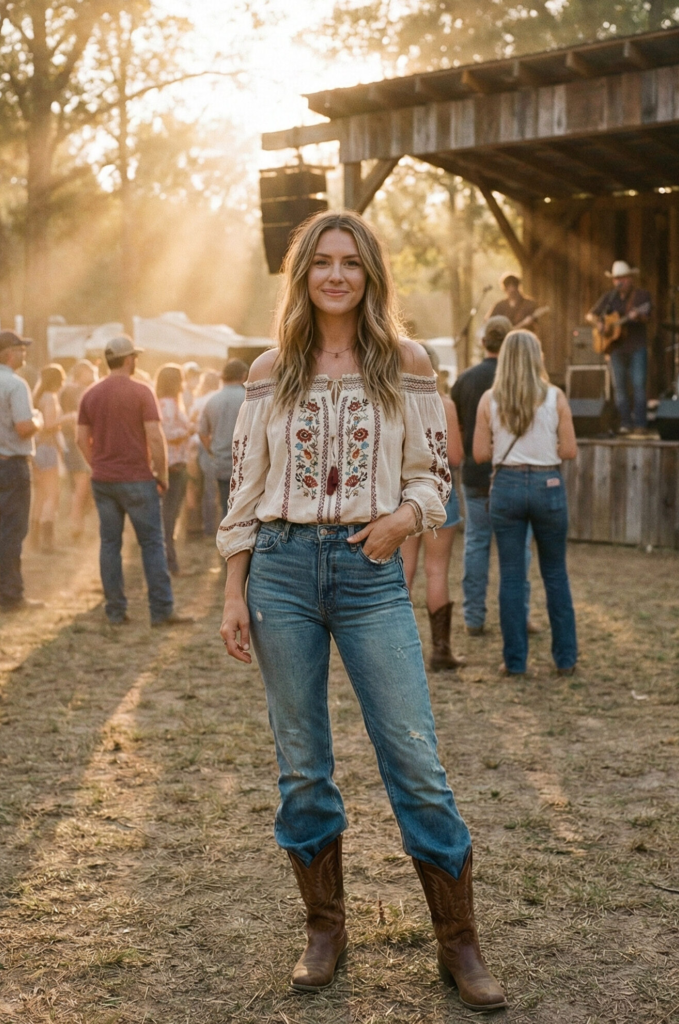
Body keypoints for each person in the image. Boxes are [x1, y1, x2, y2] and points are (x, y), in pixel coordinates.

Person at [217, 211, 506, 1012]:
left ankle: (460, 943)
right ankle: (324, 928)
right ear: (301, 274)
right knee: (302, 760)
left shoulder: (405, 362)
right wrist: (234, 589)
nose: (336, 275)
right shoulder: (269, 368)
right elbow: (244, 482)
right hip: (278, 570)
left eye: (350, 262)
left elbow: (434, 475)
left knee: (413, 757)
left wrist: (399, 523)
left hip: (368, 570)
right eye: (322, 262)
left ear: (371, 274)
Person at [473, 330, 578, 676]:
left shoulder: (490, 399)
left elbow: (480, 454)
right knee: (555, 574)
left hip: (507, 485)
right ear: (538, 358)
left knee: (511, 577)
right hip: (548, 485)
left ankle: (515, 662)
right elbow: (568, 451)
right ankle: (565, 660)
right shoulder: (555, 397)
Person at [77, 335, 192, 627]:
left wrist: (97, 464)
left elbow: (80, 438)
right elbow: (155, 435)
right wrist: (162, 474)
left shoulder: (90, 394)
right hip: (138, 479)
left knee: (109, 545)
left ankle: (115, 611)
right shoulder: (142, 392)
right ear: (129, 359)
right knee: (152, 544)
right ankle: (161, 611)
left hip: (104, 481)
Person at [452, 316, 535, 636]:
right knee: (518, 551)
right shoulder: (520, 381)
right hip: (513, 474)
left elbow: (457, 427)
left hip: (475, 475)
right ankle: (520, 615)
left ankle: (474, 618)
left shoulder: (466, 380)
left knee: (476, 546)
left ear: (483, 342)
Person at [402, 344, 466, 671]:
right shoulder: (445, 404)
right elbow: (454, 458)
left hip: (403, 497)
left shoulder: (395, 400)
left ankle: (397, 650)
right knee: (437, 571)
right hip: (440, 494)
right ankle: (441, 650)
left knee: (402, 571)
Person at [0, 330, 45, 611]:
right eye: (22, 350)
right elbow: (24, 427)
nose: (25, 354)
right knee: (12, 530)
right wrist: (38, 418)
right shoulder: (16, 385)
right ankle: (12, 595)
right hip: (11, 464)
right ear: (10, 354)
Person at [586, 260, 652, 434]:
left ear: (630, 278)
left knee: (638, 385)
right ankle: (625, 423)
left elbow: (647, 316)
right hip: (615, 349)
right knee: (619, 387)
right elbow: (591, 315)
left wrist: (637, 316)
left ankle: (640, 425)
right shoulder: (610, 297)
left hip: (637, 347)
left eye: (622, 278)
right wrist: (600, 325)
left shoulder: (641, 296)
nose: (619, 282)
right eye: (616, 279)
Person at [199, 359, 248, 523]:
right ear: (243, 376)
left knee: (225, 506)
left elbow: (202, 433)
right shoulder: (248, 399)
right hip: (245, 463)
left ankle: (226, 542)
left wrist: (212, 451)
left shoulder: (211, 401)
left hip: (221, 462)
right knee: (244, 507)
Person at [31, 363, 73, 553]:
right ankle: (47, 541)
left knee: (40, 495)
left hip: (38, 448)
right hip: (48, 449)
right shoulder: (50, 398)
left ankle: (35, 538)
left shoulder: (38, 397)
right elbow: (49, 424)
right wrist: (69, 417)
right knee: (52, 495)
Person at [155, 363, 192, 575]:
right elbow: (167, 433)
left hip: (174, 464)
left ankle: (169, 561)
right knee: (168, 517)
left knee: (168, 517)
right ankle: (169, 563)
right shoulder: (168, 404)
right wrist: (188, 431)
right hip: (173, 466)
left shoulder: (168, 403)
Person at [60, 360, 98, 539]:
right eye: (89, 371)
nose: (92, 374)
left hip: (73, 439)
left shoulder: (69, 389)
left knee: (80, 484)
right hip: (78, 440)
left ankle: (77, 521)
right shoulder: (77, 390)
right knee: (82, 484)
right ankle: (76, 524)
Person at [189, 370, 222, 537]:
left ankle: (205, 526)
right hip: (215, 446)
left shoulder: (199, 401)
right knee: (214, 489)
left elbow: (192, 422)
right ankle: (215, 527)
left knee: (200, 489)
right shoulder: (218, 398)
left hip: (198, 446)